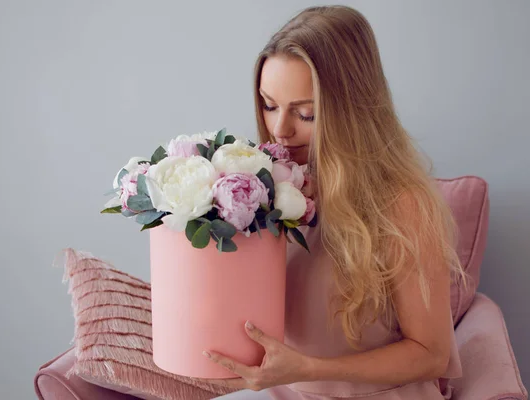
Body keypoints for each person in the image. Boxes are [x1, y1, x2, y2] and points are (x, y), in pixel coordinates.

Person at [200, 5, 467, 400]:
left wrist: (309, 369)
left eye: (306, 113)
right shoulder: (267, 191)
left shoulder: (402, 205)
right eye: (269, 105)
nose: (280, 129)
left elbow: (432, 354)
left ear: (353, 110)